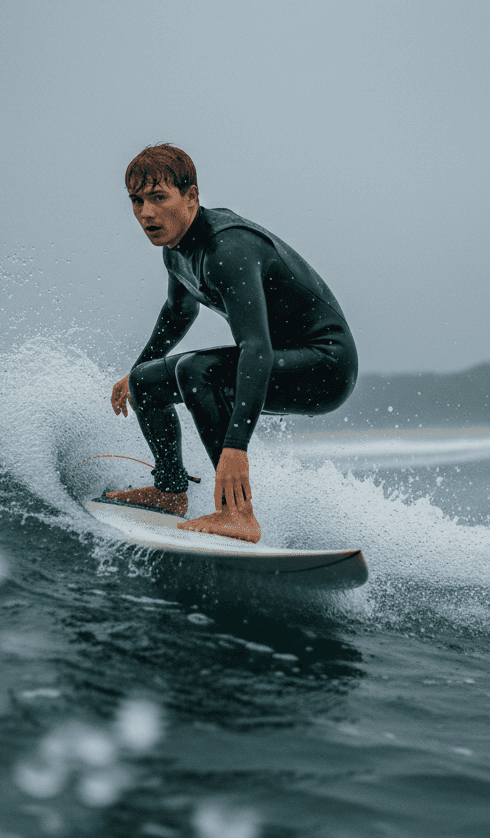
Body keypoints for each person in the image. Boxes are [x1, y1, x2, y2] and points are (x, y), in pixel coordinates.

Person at [107, 144, 358, 543]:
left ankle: (237, 514)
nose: (146, 214)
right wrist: (135, 371)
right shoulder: (176, 250)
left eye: (158, 198)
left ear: (191, 198)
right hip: (276, 360)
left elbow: (254, 347)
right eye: (137, 201)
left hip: (325, 367)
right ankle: (170, 492)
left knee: (196, 372)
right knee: (146, 381)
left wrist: (235, 447)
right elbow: (178, 312)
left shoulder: (227, 249)